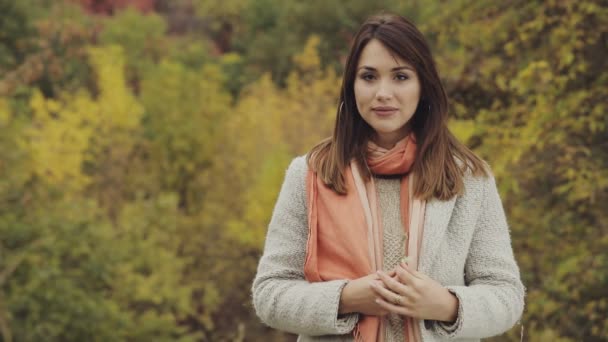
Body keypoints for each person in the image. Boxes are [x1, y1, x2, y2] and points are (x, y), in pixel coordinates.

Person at [251, 13, 525, 342]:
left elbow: (506, 296)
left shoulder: (469, 179)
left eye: (400, 76)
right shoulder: (310, 174)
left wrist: (445, 305)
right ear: (352, 87)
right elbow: (270, 294)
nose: (383, 92)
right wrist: (347, 297)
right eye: (368, 77)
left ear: (423, 85)